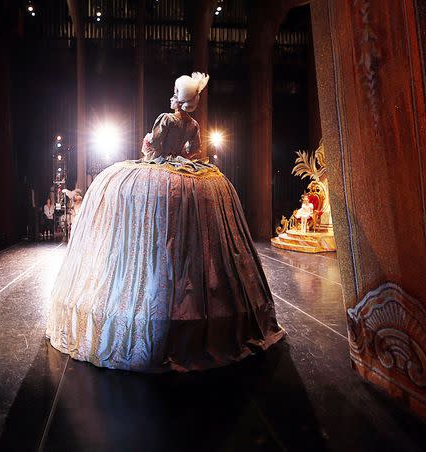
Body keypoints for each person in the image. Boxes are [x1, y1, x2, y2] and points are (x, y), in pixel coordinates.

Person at [46, 73, 285, 372]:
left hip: (159, 165)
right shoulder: (193, 125)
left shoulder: (167, 119)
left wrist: (150, 147)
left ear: (177, 96)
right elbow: (192, 152)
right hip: (183, 167)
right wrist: (180, 157)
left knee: (123, 190)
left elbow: (153, 148)